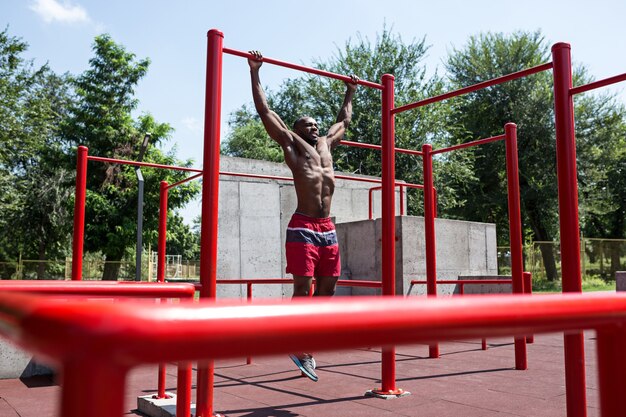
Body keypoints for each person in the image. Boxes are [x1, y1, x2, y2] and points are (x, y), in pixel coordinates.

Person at [248, 51, 358, 382]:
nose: (311, 126)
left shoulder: (326, 144)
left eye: (313, 122)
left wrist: (350, 91)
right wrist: (255, 72)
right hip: (303, 226)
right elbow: (265, 111)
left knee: (328, 288)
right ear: (295, 130)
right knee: (303, 287)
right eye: (304, 123)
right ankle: (299, 344)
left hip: (327, 228)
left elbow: (345, 120)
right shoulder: (292, 146)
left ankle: (305, 340)